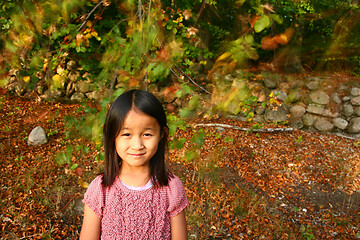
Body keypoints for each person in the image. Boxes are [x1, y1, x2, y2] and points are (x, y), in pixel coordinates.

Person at [80, 89, 189, 239]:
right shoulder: (100, 189)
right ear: (113, 135)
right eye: (127, 134)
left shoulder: (171, 189)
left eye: (147, 134)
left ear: (161, 134)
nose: (137, 145)